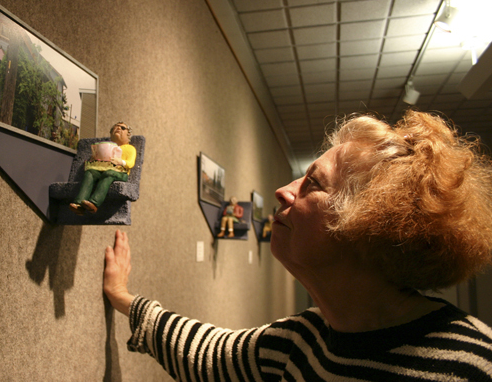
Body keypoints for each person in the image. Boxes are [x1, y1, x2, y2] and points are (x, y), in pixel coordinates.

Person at [103, 110, 492, 381]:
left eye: (313, 184)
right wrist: (122, 296)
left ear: (370, 223)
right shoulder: (303, 340)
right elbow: (208, 355)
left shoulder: (474, 362)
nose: (283, 191)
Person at [69, 122, 136, 215]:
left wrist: (121, 162)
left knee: (109, 173)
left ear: (128, 134)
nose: (118, 128)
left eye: (122, 128)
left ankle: (94, 203)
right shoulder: (107, 146)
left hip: (120, 172)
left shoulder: (130, 148)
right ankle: (79, 204)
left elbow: (131, 163)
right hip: (101, 169)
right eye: (115, 128)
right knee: (90, 173)